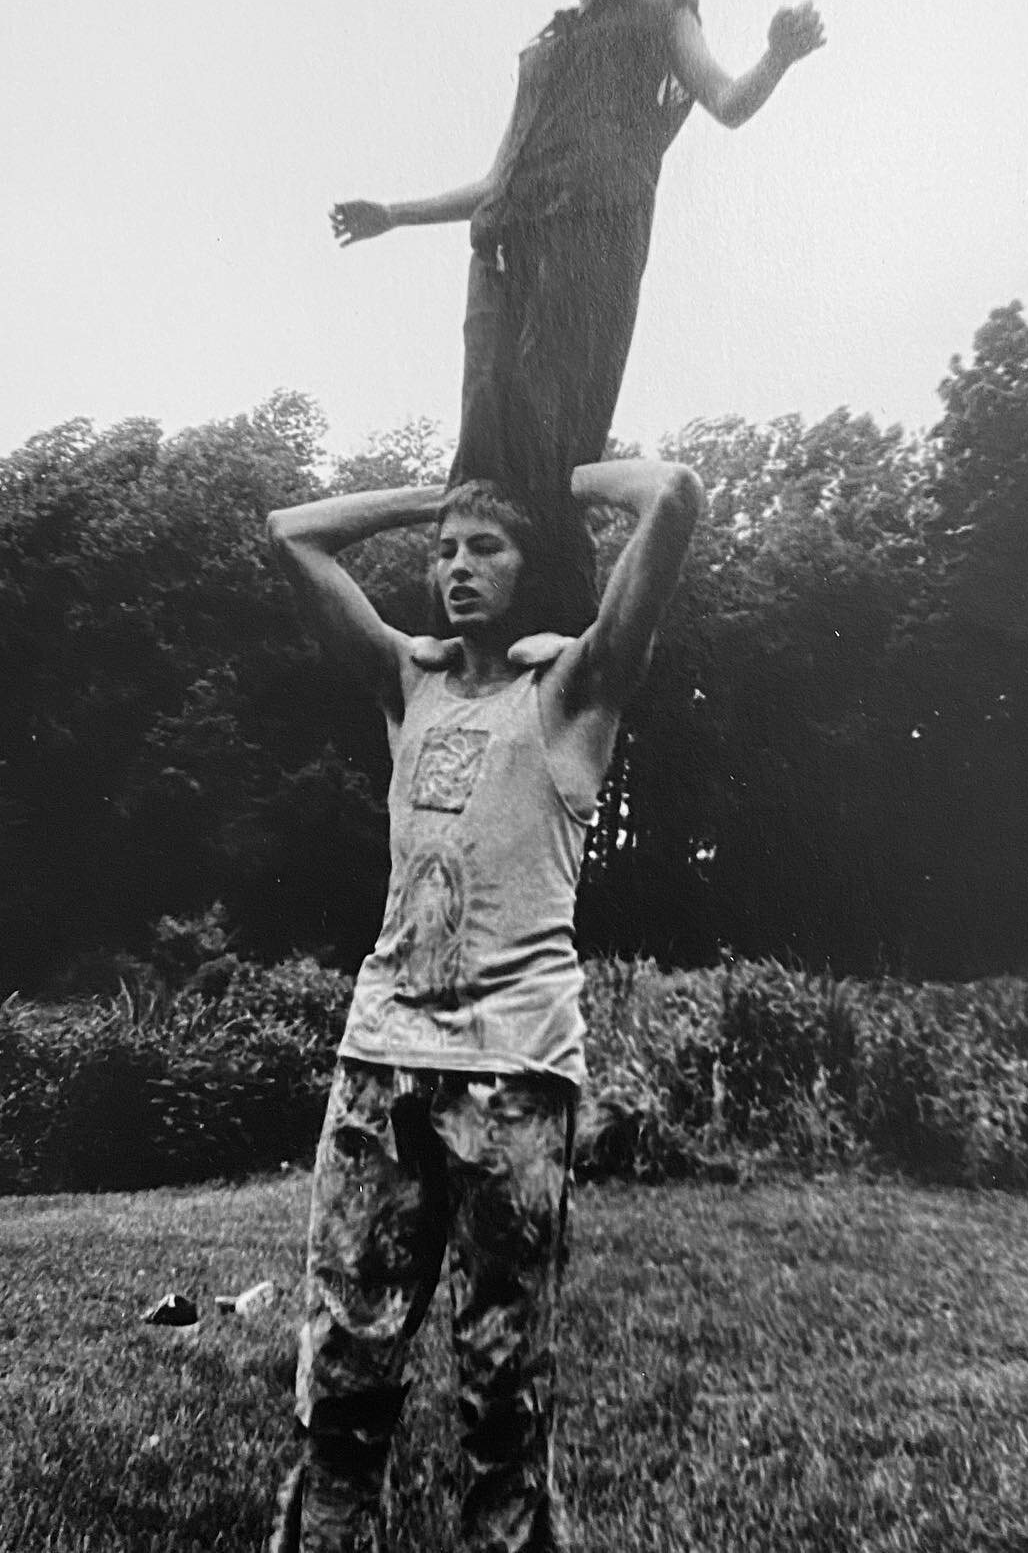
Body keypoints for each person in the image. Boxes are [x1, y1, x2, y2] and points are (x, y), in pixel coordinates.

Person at [264, 454, 704, 1553]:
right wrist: (445, 496)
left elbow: (674, 495)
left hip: (511, 1071)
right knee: (347, 1355)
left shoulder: (575, 691)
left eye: (486, 547)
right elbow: (291, 534)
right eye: (445, 552)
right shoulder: (408, 687)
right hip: (382, 1056)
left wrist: (545, 475)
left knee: (504, 1371)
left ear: (535, 565)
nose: (457, 566)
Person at [331, 0, 824, 625]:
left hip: (588, 244)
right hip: (501, 252)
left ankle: (555, 635)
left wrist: (779, 57)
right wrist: (394, 213)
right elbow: (499, 178)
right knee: (482, 448)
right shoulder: (543, 49)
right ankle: (465, 648)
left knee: (551, 442)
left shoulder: (663, 17)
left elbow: (726, 101)